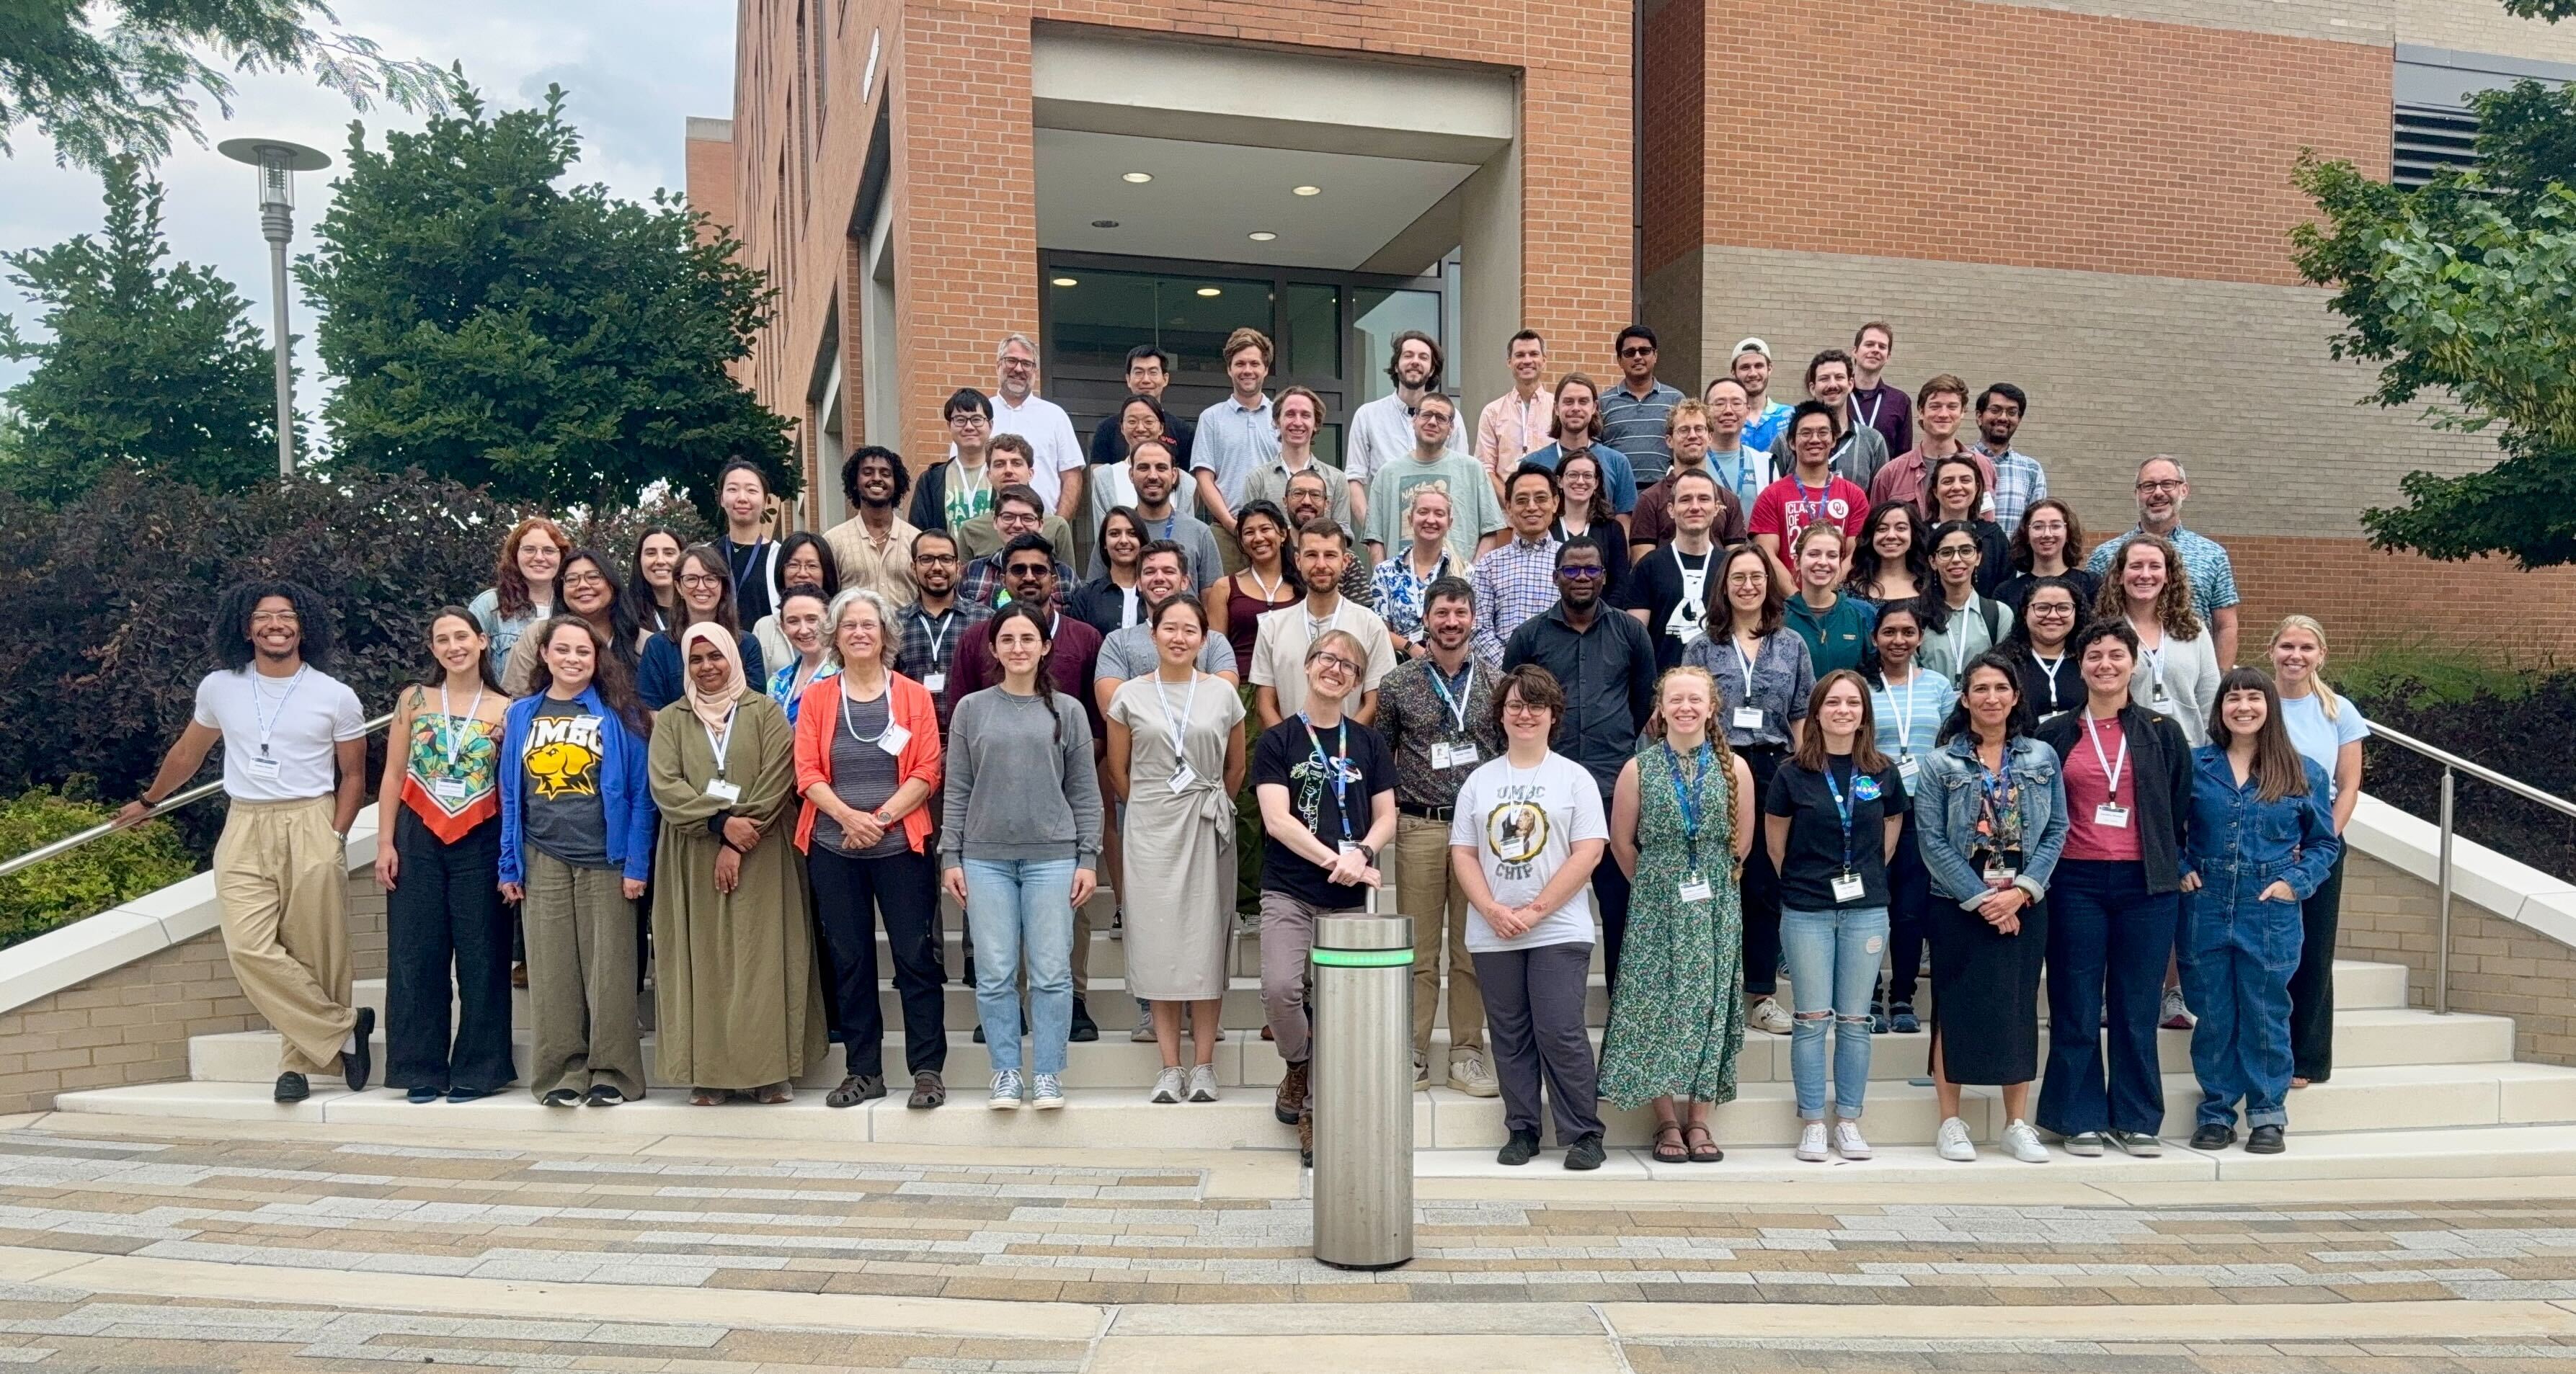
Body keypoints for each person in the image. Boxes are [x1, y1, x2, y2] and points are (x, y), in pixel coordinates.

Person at [121, 581, 372, 1104]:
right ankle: (343, 1026)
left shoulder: (335, 695)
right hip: (245, 824)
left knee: (316, 949)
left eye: (286, 615)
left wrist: (335, 835)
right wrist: (149, 801)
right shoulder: (220, 687)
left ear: (304, 626)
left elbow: (353, 775)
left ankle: (297, 1065)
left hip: (311, 819)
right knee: (249, 946)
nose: (275, 624)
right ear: (245, 626)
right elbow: (189, 754)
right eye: (264, 616)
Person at [647, 625, 827, 1105]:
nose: (708, 667)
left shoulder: (764, 710)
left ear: (734, 658)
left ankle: (769, 1071)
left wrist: (739, 835)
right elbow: (666, 785)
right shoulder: (670, 720)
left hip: (764, 849)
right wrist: (720, 826)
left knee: (762, 955)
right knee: (701, 956)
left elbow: (778, 776)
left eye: (716, 657)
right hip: (692, 853)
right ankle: (709, 1073)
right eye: (698, 659)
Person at [2035, 620, 2193, 1156]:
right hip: (2074, 881)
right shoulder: (2054, 733)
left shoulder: (2161, 731)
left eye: (2116, 655)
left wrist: (2177, 864)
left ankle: (2136, 1117)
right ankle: (2076, 1115)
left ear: (2134, 663)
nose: (2106, 664)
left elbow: (2177, 808)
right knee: (2076, 999)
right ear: (2080, 666)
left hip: (2145, 884)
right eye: (2095, 655)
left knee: (2136, 1003)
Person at [943, 535, 1109, 1040]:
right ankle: (1006, 1068)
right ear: (993, 646)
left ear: (1046, 646)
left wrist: (1087, 854)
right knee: (994, 972)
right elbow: (958, 784)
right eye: (1008, 640)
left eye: (1028, 639)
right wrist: (951, 854)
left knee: (1054, 970)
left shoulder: (1071, 699)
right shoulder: (973, 704)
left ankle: (1049, 1070)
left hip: (1053, 848)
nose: (1019, 647)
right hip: (987, 849)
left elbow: (1085, 788)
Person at [1451, 664, 1612, 1170]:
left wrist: (1538, 909)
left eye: (1536, 705)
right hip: (1493, 928)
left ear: (1553, 714)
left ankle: (1584, 1131)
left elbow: (1588, 851)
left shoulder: (1574, 778)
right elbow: (1464, 853)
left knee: (1560, 1027)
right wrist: (1493, 909)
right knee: (1510, 1032)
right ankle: (1522, 1127)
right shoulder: (1480, 780)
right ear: (1500, 714)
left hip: (1559, 928)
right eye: (1515, 705)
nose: (1525, 714)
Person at [796, 588, 948, 1110]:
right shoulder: (818, 697)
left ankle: (927, 1070)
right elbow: (807, 772)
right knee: (851, 959)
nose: (860, 632)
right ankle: (864, 1071)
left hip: (899, 846)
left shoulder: (910, 694)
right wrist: (847, 818)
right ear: (835, 636)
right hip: (834, 848)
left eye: (869, 624)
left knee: (915, 957)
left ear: (886, 633)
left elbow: (928, 769)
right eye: (849, 625)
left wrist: (879, 819)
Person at [1914, 653, 2069, 1164]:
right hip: (1958, 900)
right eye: (1980, 688)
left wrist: (2020, 891)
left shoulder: (2042, 756)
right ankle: (1950, 1122)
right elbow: (1932, 841)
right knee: (1952, 1008)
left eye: (2001, 687)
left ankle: (2015, 1123)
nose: (1991, 697)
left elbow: (2056, 829)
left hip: (2024, 899)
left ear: (2016, 695)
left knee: (2019, 1006)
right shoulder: (1940, 763)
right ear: (1965, 698)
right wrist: (1983, 900)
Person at [2180, 669, 2341, 1154]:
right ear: (2221, 708)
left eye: (2254, 697)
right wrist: (2182, 866)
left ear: (2269, 706)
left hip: (2267, 906)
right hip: (2206, 902)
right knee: (2213, 1011)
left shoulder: (2302, 771)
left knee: (2267, 1008)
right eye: (2233, 698)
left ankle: (2268, 1113)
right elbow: (2166, 828)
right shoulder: (2194, 765)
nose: (2243, 707)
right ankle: (2216, 1111)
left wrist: (2294, 884)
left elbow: (2323, 844)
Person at [497, 616, 656, 1107]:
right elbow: (510, 792)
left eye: (582, 652)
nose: (572, 659)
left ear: (597, 658)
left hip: (606, 859)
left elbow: (641, 794)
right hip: (541, 856)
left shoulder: (621, 714)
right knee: (551, 973)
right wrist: (509, 865)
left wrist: (636, 863)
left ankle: (613, 1073)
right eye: (562, 650)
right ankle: (560, 1075)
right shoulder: (522, 713)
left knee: (609, 972)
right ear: (545, 655)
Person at [1602, 666, 1757, 1164]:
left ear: (1712, 707)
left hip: (1716, 903)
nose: (1686, 707)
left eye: (1696, 699)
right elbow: (1624, 843)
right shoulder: (1639, 768)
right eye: (1676, 699)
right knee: (1656, 1008)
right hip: (1657, 905)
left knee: (1709, 1007)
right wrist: (1656, 888)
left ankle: (1700, 1119)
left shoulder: (1736, 769)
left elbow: (1742, 844)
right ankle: (1666, 1118)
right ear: (1661, 707)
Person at [1256, 628, 1399, 1163]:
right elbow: (1276, 819)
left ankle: (1313, 1110)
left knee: (1340, 1006)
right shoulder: (1278, 740)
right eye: (1327, 658)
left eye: (1349, 665)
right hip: (1291, 888)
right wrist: (1337, 860)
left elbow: (1387, 815)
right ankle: (1299, 1063)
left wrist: (1361, 852)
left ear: (1359, 683)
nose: (1335, 668)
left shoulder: (1368, 742)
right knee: (1280, 988)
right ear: (1308, 665)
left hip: (1349, 900)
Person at [1106, 594, 1247, 1103]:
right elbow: (1119, 772)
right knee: (1159, 945)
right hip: (1150, 830)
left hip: (1207, 824)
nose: (1180, 637)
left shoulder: (1223, 695)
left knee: (1205, 944)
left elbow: (1236, 768)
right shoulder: (1129, 696)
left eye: (1191, 629)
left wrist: (1207, 802)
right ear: (1153, 634)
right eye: (1171, 628)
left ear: (1204, 639)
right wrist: (1151, 805)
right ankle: (1170, 1066)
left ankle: (1204, 1064)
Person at [1765, 669, 1907, 1162]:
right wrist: (1813, 882)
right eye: (1833, 703)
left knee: (1853, 1019)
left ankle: (1847, 1118)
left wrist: (1860, 876)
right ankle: (1811, 1121)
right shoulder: (1791, 773)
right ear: (1818, 710)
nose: (1843, 710)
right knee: (1809, 1019)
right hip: (1807, 910)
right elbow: (1776, 843)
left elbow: (1890, 831)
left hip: (1866, 911)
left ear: (1864, 712)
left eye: (1853, 702)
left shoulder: (1883, 771)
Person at [1502, 538, 1658, 983]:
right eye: (1572, 571)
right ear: (1557, 577)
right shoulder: (1529, 636)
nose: (1583, 578)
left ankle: (1622, 1005)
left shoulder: (1631, 633)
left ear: (1605, 576)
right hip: (1547, 790)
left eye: (1591, 570)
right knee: (1544, 893)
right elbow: (1512, 706)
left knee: (1617, 902)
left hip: (1613, 785)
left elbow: (1642, 701)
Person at [373, 607, 512, 1103]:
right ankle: (420, 1067)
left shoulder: (507, 707)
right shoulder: (414, 699)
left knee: (483, 954)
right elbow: (392, 775)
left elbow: (508, 785)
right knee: (416, 952)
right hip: (418, 831)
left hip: (482, 832)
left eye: (462, 637)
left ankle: (480, 1067)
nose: (453, 646)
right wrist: (385, 841)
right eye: (442, 639)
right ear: (433, 650)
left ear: (481, 642)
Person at [1372, 576, 1503, 1096]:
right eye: (1442, 613)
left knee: (1471, 949)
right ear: (1425, 620)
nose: (1451, 623)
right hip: (1420, 824)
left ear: (1474, 619)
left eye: (1460, 613)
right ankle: (1415, 1050)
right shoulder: (1398, 684)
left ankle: (1468, 1053)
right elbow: (1382, 755)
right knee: (1419, 950)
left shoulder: (1497, 681)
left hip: (1479, 835)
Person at [1682, 545, 1816, 1037]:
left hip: (1775, 767)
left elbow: (1801, 713)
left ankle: (1760, 993)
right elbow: (1686, 712)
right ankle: (1709, 990)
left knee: (1763, 883)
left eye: (1756, 576)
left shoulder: (1791, 644)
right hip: (1716, 766)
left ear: (1769, 582)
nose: (1748, 585)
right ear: (1723, 584)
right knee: (1713, 878)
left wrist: (1805, 775)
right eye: (1738, 577)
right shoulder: (1701, 648)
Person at [2270, 615, 2367, 1088]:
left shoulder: (2339, 711)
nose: (2296, 655)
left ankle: (2306, 1056)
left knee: (2313, 947)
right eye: (2287, 645)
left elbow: (2348, 784)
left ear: (2321, 655)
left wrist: (2324, 841)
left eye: (2306, 647)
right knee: (2266, 948)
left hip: (2319, 844)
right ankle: (2263, 1044)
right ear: (2271, 651)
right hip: (2264, 843)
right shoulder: (2256, 702)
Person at [1863, 603, 1953, 1035]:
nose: (1898, 640)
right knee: (1868, 906)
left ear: (1920, 637)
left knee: (1910, 909)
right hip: (1870, 809)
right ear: (1874, 637)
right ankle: (1865, 996)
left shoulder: (1937, 686)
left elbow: (1952, 742)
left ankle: (1901, 996)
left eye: (1908, 632)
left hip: (1923, 809)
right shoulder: (1862, 686)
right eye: (1889, 632)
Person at [2085, 457, 2242, 668]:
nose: (2158, 493)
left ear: (2184, 490)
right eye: (2148, 486)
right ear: (2137, 494)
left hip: (2189, 677)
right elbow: (2090, 621)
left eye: (2168, 484)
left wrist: (2220, 683)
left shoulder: (2212, 555)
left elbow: (2226, 626)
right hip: (2121, 677)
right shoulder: (2105, 555)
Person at [1251, 519, 1398, 728]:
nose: (1321, 565)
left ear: (1345, 562)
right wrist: (1290, 746)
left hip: (1349, 754)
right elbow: (1265, 705)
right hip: (1289, 754)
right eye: (1311, 555)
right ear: (1298, 560)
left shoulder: (1370, 625)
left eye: (1330, 555)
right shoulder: (1272, 627)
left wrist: (1345, 747)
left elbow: (1375, 703)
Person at [2097, 533, 2222, 745]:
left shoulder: (2194, 630)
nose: (2145, 575)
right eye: (2136, 566)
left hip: (2189, 754)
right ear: (2119, 575)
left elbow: (2210, 701)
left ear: (2168, 576)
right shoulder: (2103, 632)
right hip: (2126, 755)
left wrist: (2210, 755)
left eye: (2155, 566)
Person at [1362, 393, 1505, 568]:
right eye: (1426, 415)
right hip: (1401, 588)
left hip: (1456, 588)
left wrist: (1471, 578)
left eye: (1441, 418)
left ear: (1451, 428)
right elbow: (1375, 538)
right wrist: (1385, 582)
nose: (1432, 422)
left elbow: (1490, 531)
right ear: (1414, 420)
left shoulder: (1472, 470)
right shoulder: (1387, 474)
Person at [1344, 330, 1462, 518]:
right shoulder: (1367, 415)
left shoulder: (1452, 417)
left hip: (1439, 530)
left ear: (1432, 369)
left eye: (1423, 357)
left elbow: (1460, 478)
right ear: (1397, 366)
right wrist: (1372, 535)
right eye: (1408, 355)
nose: (1415, 361)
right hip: (1386, 528)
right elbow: (1354, 479)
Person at [1620, 468, 1727, 674]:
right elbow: (1635, 643)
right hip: (1664, 692)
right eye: (1686, 500)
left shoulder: (1730, 566)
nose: (1695, 507)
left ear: (1716, 508)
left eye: (1704, 499)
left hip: (1720, 691)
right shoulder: (1648, 567)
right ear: (1671, 509)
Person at [1749, 401, 1871, 579]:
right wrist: (1796, 600)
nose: (1815, 439)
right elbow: (1767, 555)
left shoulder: (1854, 495)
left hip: (1838, 601)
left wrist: (1825, 595)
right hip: (1786, 604)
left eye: (1823, 432)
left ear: (1834, 440)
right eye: (1806, 433)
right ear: (1791, 441)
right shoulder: (1771, 496)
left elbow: (1856, 554)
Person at [639, 545, 767, 710]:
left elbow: (755, 707)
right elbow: (650, 710)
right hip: (676, 736)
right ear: (679, 587)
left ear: (723, 586)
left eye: (710, 579)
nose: (701, 587)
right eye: (691, 579)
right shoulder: (658, 647)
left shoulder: (747, 644)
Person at [1191, 327, 1282, 556]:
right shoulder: (1211, 418)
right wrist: (1233, 525)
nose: (1247, 370)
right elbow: (1204, 479)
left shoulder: (1281, 417)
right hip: (1226, 533)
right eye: (1240, 364)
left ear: (1266, 369)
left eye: (1254, 364)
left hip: (1277, 533)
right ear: (1229, 369)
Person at [501, 548, 641, 695]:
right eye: (572, 579)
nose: (583, 586)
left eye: (593, 577)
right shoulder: (536, 636)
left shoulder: (643, 642)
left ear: (613, 584)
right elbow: (513, 698)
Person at [978, 331, 1086, 522]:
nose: (1019, 369)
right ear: (998, 365)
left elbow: (1072, 478)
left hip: (1043, 529)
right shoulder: (980, 414)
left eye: (1027, 364)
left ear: (1035, 371)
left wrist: (1056, 527)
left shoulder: (1055, 416)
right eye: (1011, 361)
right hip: (987, 529)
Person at [893, 529, 989, 739]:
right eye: (926, 559)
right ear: (913, 567)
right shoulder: (894, 624)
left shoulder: (985, 621)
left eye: (946, 559)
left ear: (958, 566)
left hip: (971, 739)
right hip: (912, 741)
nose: (937, 567)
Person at [1626, 396, 1749, 556]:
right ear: (1669, 440)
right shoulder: (1650, 500)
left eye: (1699, 429)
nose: (1692, 436)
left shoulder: (1729, 500)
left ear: (1710, 437)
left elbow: (1736, 564)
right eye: (1684, 430)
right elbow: (1642, 566)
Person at [1470, 463, 1565, 666]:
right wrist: (1512, 668)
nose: (1531, 507)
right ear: (1509, 507)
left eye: (1541, 498)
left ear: (1555, 503)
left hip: (1559, 674)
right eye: (1522, 500)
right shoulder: (1489, 564)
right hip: (1502, 680)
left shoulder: (1569, 560)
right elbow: (1478, 629)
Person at [1095, 438, 1222, 588]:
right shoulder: (1115, 534)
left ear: (1174, 475)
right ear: (1131, 474)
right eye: (1143, 468)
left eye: (1161, 468)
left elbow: (1212, 603)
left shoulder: (1200, 533)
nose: (1153, 476)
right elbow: (1095, 595)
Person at [1240, 386, 1355, 548]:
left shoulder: (1336, 479)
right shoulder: (1257, 479)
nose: (1298, 422)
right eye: (1290, 414)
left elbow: (1343, 533)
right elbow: (1250, 531)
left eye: (1306, 415)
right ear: (1277, 421)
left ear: (1316, 424)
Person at [1867, 374, 1994, 516]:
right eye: (1935, 406)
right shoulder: (1890, 474)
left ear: (1962, 412)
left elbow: (1988, 526)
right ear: (1921, 412)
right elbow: (1876, 531)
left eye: (1952, 407)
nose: (1943, 414)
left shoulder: (1982, 466)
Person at [1767, 350, 1889, 491]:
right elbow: (1770, 495)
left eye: (1839, 377)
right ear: (1812, 388)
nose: (1832, 385)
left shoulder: (1873, 442)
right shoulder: (1786, 440)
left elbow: (1880, 504)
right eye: (1824, 379)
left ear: (1850, 384)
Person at [1523, 372, 1640, 517]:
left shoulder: (1617, 462)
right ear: (1556, 408)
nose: (1576, 408)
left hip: (1600, 541)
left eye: (1583, 401)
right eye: (1568, 402)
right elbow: (1522, 522)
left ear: (1594, 408)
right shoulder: (1532, 463)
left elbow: (1625, 522)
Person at [822, 445, 920, 608]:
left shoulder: (917, 540)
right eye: (868, 473)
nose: (877, 478)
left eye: (886, 474)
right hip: (856, 633)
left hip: (906, 633)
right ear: (855, 482)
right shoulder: (833, 541)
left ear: (896, 483)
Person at [468, 516, 568, 676]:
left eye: (549, 550)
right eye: (529, 550)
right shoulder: (489, 605)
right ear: (515, 555)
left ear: (562, 557)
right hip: (507, 700)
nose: (539, 558)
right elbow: (468, 669)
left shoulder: (572, 606)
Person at [1919, 519, 2017, 681]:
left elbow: (2004, 674)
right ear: (1933, 561)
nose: (1956, 559)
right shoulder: (1917, 614)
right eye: (1946, 552)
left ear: (1978, 557)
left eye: (1966, 551)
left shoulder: (1999, 614)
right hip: (1930, 703)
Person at [1372, 485, 1462, 661]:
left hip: (1449, 666)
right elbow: (1378, 629)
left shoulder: (1464, 573)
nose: (1431, 520)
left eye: (1439, 514)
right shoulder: (1385, 573)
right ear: (1410, 519)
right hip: (1398, 667)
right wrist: (1410, 647)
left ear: (1450, 523)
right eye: (1423, 512)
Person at [1210, 500, 1300, 667]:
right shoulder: (1224, 588)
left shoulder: (1303, 586)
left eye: (1265, 529)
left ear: (1283, 534)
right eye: (1249, 532)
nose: (1258, 538)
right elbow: (1216, 653)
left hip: (1292, 683)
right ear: (1242, 542)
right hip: (1241, 685)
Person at [1086, 394, 1194, 532]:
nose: (1141, 428)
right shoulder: (1105, 478)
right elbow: (1103, 539)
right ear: (1122, 428)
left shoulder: (1185, 481)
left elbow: (1188, 536)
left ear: (1161, 428)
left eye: (1149, 422)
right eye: (1132, 422)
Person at [956, 441, 1078, 562]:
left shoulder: (1057, 527)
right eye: (999, 464)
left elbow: (1067, 580)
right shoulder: (970, 530)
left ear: (1030, 473)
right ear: (989, 475)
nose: (1008, 470)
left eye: (1016, 463)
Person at [1784, 523, 1877, 677]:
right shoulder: (1779, 616)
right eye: (1814, 554)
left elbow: (1874, 673)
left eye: (1832, 556)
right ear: (1797, 562)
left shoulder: (1862, 613)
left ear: (1840, 563)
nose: (1823, 562)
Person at [907, 388, 998, 534]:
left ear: (991, 425)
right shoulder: (931, 480)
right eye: (960, 420)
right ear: (949, 426)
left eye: (976, 419)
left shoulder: (1006, 474)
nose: (969, 427)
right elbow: (918, 533)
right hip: (945, 557)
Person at [1088, 344, 1194, 468]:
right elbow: (1099, 478)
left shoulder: (1183, 431)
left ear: (1165, 379)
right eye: (1139, 372)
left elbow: (1189, 482)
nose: (1146, 380)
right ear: (1128, 379)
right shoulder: (1107, 429)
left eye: (1153, 372)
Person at [1600, 324, 1684, 480]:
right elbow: (1596, 452)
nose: (1637, 357)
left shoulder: (1676, 400)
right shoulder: (1603, 403)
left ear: (1655, 356)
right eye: (1630, 353)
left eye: (1644, 351)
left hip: (1665, 494)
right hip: (1617, 495)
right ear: (1619, 360)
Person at [2002, 577, 2089, 725]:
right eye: (2042, 608)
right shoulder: (2002, 664)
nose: (2053, 616)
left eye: (2063, 608)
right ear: (2025, 612)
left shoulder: (2089, 661)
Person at [750, 532, 841, 672]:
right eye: (793, 565)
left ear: (826, 572)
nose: (802, 573)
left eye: (812, 566)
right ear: (781, 570)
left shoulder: (843, 623)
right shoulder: (764, 628)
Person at [1922, 455, 2012, 596]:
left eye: (1965, 480)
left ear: (1976, 488)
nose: (1957, 487)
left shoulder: (1994, 537)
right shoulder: (1919, 535)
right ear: (1935, 490)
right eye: (1947, 481)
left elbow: (2006, 590)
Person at [711, 460, 786, 627]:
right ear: (722, 499)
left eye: (751, 490)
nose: (742, 498)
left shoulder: (781, 557)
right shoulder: (706, 556)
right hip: (715, 649)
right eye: (733, 490)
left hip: (766, 651)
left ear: (766, 501)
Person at [1550, 451, 1631, 603]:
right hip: (1551, 619)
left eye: (1587, 476)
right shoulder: (1547, 527)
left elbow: (1620, 584)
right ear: (1560, 481)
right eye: (1573, 475)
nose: (1580, 481)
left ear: (1596, 483)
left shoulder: (1612, 529)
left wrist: (1603, 619)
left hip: (1600, 619)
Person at [1994, 498, 2100, 614]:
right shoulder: (2006, 592)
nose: (2047, 534)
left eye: (2055, 526)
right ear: (2027, 535)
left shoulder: (2091, 586)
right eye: (2038, 527)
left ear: (2068, 534)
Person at [1475, 329, 1555, 481]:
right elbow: (1485, 467)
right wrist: (1509, 500)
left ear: (1544, 361)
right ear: (1509, 362)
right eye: (1520, 355)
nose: (1527, 360)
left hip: (1552, 502)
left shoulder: (1558, 410)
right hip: (1505, 503)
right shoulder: (1492, 412)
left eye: (1533, 354)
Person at [1973, 383, 2049, 531]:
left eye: (2012, 412)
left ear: (2019, 420)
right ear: (1979, 416)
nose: (2003, 418)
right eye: (1995, 410)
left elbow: (2036, 525)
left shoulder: (2032, 470)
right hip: (1967, 553)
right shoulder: (1959, 463)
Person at [1067, 507, 1150, 638]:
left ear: (1142, 542)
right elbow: (1077, 649)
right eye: (1115, 534)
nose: (1123, 541)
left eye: (1132, 534)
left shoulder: (1156, 592)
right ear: (1104, 543)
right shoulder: (1086, 597)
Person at [765, 586, 840, 722]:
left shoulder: (847, 675)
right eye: (793, 621)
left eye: (812, 619)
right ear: (783, 627)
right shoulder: (777, 683)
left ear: (829, 620)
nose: (804, 630)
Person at [1845, 500, 1931, 611]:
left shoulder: (1930, 588)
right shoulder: (1848, 592)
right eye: (1882, 529)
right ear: (1871, 537)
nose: (1891, 536)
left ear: (1913, 535)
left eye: (1901, 528)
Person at [1847, 321, 1912, 460]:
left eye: (1882, 347)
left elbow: (1903, 457)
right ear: (1855, 351)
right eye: (1869, 344)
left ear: (1888, 356)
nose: (1876, 350)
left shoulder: (1900, 401)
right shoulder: (1838, 395)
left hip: (1883, 481)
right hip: (1842, 479)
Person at [1732, 338, 1795, 453]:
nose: (1752, 373)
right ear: (1733, 372)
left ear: (1769, 369)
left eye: (1759, 366)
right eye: (1745, 367)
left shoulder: (1791, 417)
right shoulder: (1725, 418)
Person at [626, 526, 685, 647]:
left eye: (669, 553)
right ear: (639, 561)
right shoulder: (625, 616)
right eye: (651, 553)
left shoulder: (700, 611)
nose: (660, 561)